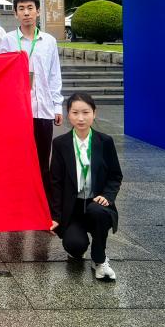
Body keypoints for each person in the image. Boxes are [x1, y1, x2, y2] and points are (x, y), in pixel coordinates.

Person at [50, 92, 122, 281]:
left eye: (85, 112)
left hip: (97, 203)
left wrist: (108, 195)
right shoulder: (60, 144)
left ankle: (100, 260)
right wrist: (55, 216)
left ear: (94, 113)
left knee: (98, 212)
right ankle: (78, 244)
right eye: (75, 113)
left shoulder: (105, 142)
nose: (80, 118)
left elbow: (115, 175)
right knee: (75, 245)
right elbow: (55, 182)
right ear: (68, 114)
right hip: (72, 208)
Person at [1, 0, 64, 200]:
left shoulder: (49, 41)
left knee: (42, 159)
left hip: (42, 110)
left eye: (30, 8)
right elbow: (2, 74)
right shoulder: (8, 40)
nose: (26, 13)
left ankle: (43, 203)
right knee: (16, 159)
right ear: (15, 14)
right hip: (16, 111)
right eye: (21, 9)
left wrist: (57, 106)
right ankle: (17, 200)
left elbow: (54, 75)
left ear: (38, 11)